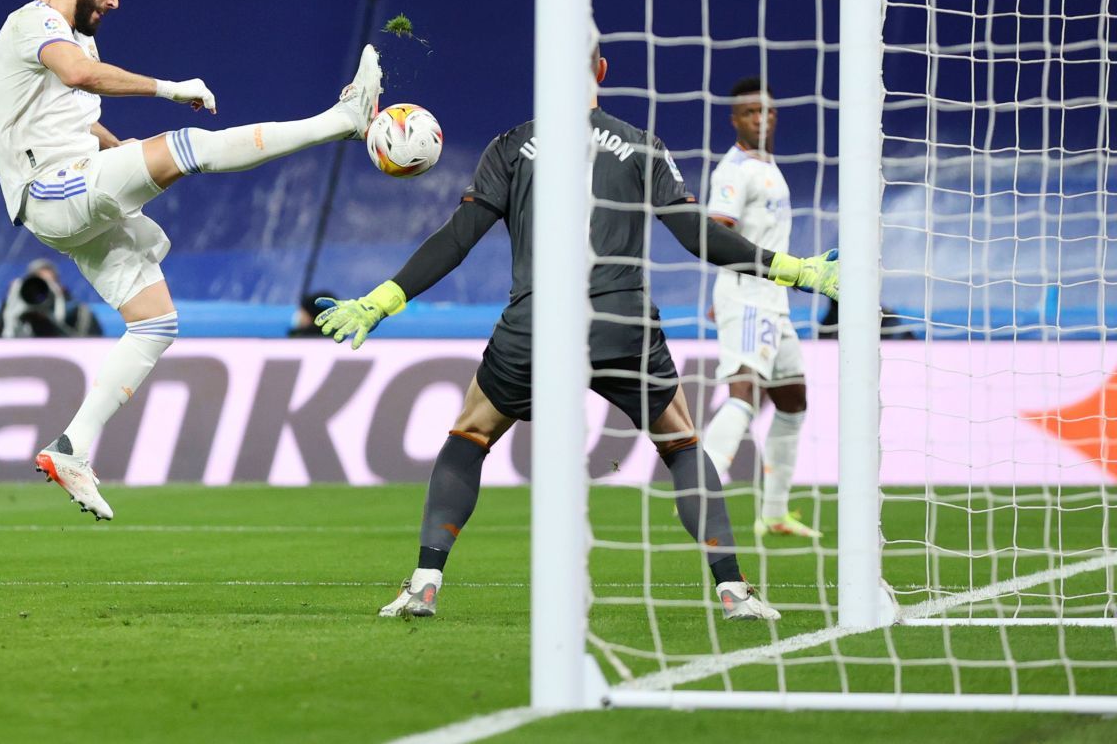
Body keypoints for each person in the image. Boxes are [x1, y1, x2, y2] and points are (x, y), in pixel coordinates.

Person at [315, 38, 841, 620]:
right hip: (623, 323)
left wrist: (381, 300)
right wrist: (797, 270)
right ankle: (733, 590)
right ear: (603, 71)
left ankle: (424, 582)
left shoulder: (511, 146)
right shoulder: (642, 144)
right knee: (683, 444)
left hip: (537, 323)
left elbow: (457, 238)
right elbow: (699, 236)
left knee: (469, 436)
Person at [0, 0, 383, 521]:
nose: (117, 0)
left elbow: (76, 118)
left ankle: (71, 448)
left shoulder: (76, 36)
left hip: (66, 190)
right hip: (50, 188)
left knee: (156, 322)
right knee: (190, 148)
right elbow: (79, 75)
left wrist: (123, 152)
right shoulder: (34, 23)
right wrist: (169, 89)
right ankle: (341, 121)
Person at [698, 78, 820, 538]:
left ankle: (774, 514)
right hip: (748, 296)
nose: (761, 119)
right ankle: (700, 486)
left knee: (792, 401)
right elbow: (715, 231)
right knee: (744, 394)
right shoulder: (734, 170)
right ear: (735, 119)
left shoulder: (768, 166)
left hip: (774, 300)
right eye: (751, 113)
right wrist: (726, 287)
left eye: (767, 112)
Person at [0, 259, 101, 339]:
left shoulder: (79, 314)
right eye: (37, 286)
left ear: (59, 288)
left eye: (48, 285)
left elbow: (92, 346)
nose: (41, 292)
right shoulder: (10, 310)